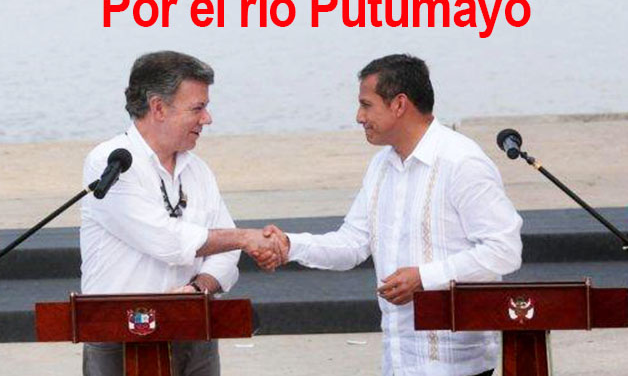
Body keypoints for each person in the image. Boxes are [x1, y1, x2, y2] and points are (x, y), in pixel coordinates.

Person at [265, 54, 523, 376]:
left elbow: (504, 250)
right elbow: (353, 243)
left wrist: (425, 278)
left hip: (455, 364)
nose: (359, 117)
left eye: (366, 105)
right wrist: (289, 245)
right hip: (399, 360)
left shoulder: (462, 162)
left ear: (399, 104)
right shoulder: (381, 166)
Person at [80, 50, 283, 376]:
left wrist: (198, 289)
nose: (208, 118)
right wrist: (245, 237)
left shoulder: (198, 170)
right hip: (119, 334)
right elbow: (167, 241)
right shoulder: (109, 163)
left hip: (194, 331)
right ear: (158, 107)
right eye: (197, 108)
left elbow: (226, 254)